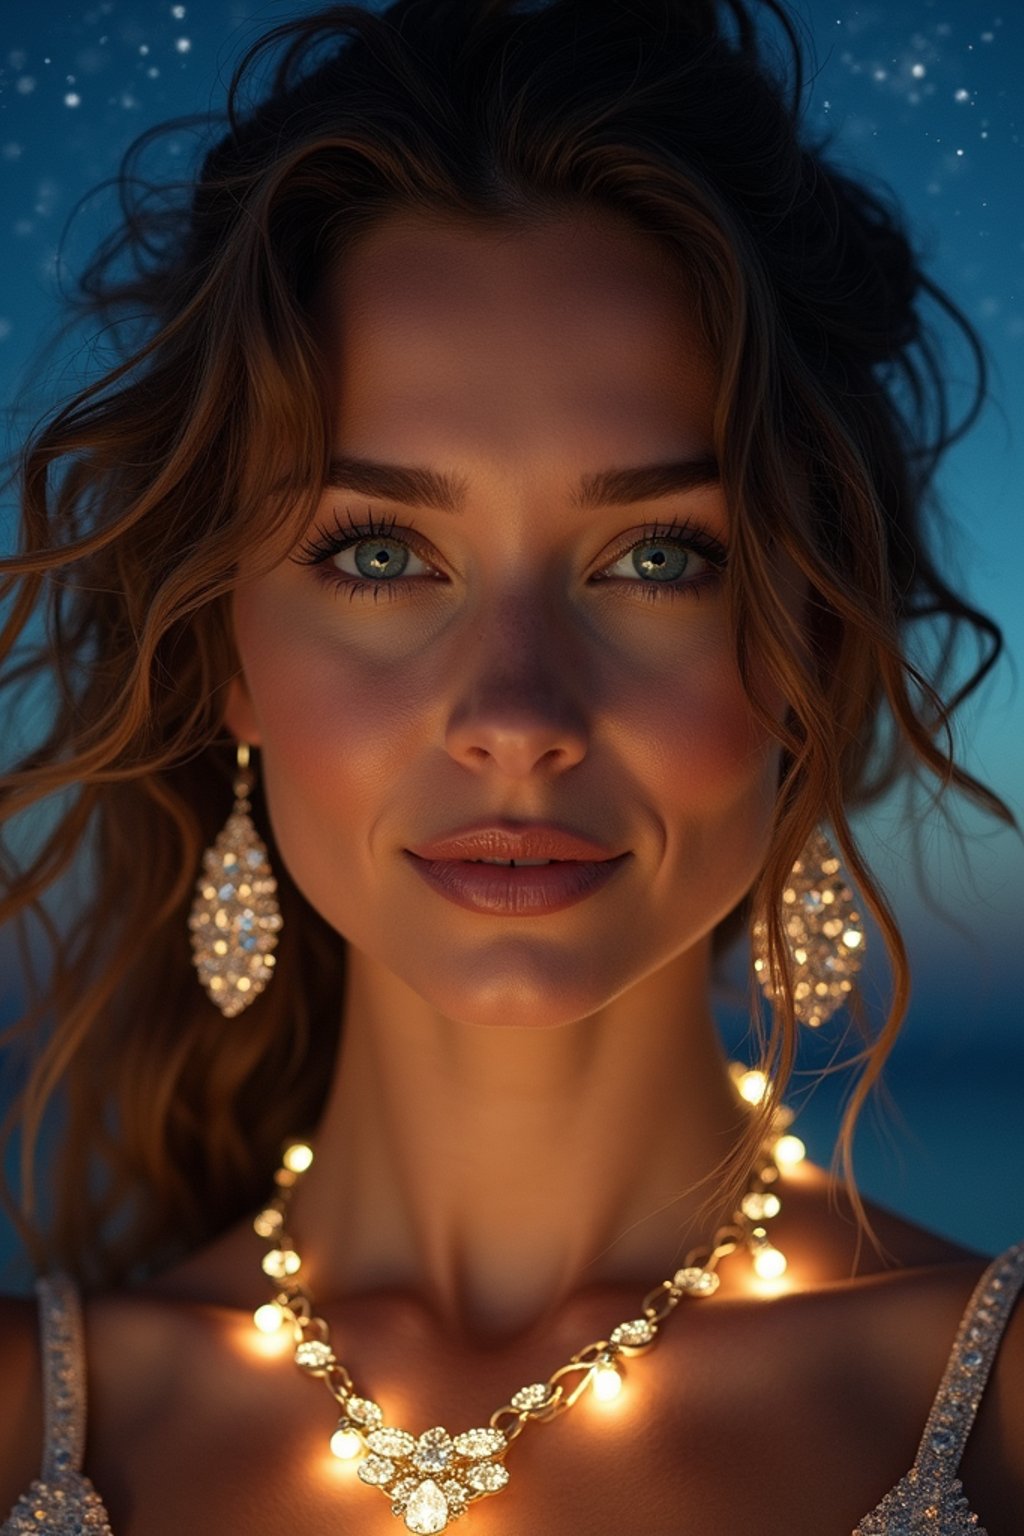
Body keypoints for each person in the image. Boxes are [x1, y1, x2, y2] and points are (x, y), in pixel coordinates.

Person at [0, 0, 1020, 1531]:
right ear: (224, 651)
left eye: (657, 556)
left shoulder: (989, 1415)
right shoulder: (31, 1420)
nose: (518, 708)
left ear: (803, 645)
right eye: (384, 551)